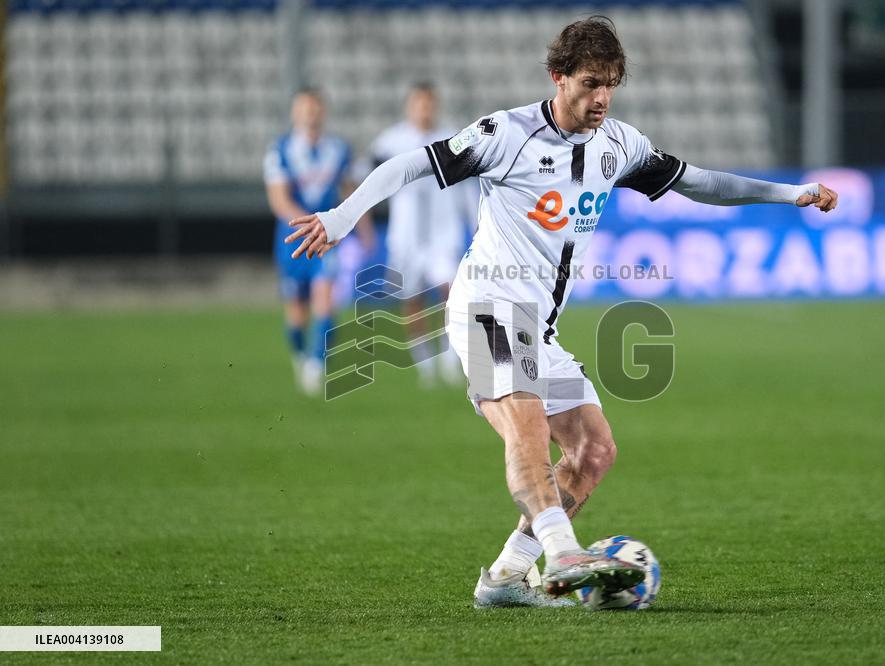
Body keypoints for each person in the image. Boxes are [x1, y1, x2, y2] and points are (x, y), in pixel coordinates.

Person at [286, 17, 838, 606]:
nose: (601, 97)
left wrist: (789, 192)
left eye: (612, 84)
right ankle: (564, 552)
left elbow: (699, 183)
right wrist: (340, 218)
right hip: (487, 308)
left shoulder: (619, 145)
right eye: (590, 83)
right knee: (526, 428)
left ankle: (505, 575)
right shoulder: (507, 133)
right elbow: (411, 163)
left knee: (594, 451)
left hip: (538, 329)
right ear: (559, 77)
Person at [363, 82, 474, 387]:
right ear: (409, 107)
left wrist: (475, 220)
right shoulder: (390, 142)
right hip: (406, 236)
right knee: (411, 300)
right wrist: (365, 221)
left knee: (453, 294)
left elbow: (467, 186)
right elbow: (369, 180)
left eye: (429, 103)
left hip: (444, 233)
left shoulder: (454, 139)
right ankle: (425, 364)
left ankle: (451, 358)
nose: (424, 110)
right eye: (419, 104)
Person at [264, 88, 374, 396]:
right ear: (294, 113)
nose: (311, 114)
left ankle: (317, 363)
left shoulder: (339, 150)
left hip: (325, 239)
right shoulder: (281, 151)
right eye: (305, 108)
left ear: (323, 112)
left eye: (316, 108)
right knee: (296, 313)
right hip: (292, 240)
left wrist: (363, 228)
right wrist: (309, 223)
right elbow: (278, 200)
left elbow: (352, 193)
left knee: (325, 299)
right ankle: (301, 353)